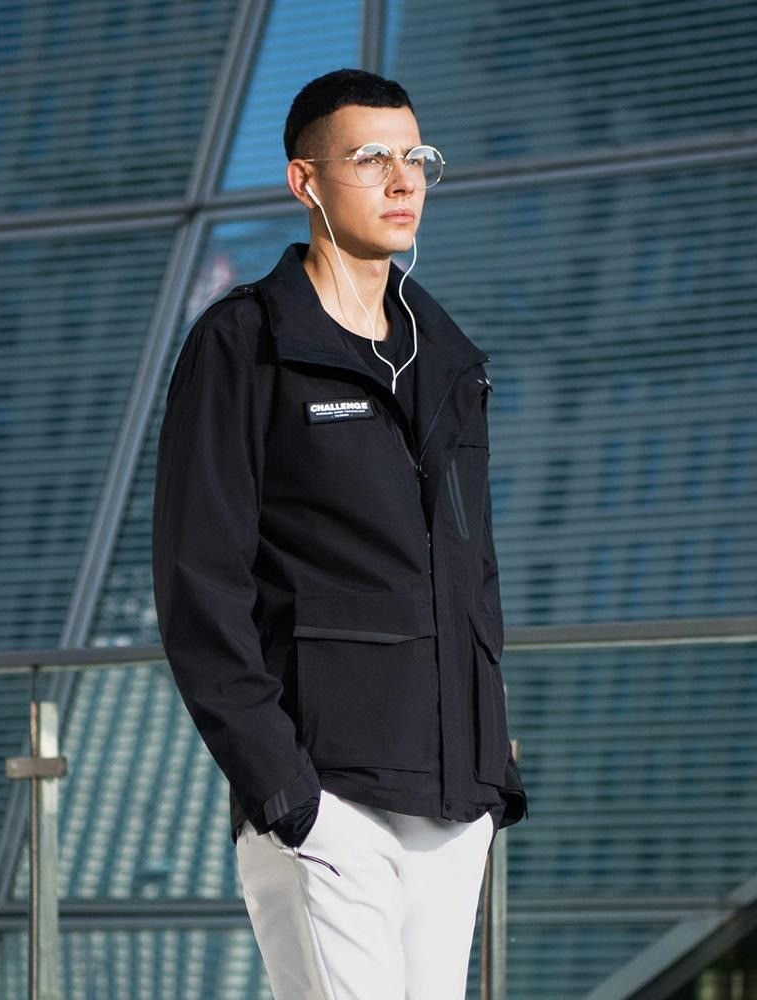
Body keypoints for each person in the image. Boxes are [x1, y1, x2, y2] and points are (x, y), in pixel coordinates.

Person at [152, 68, 526, 1000]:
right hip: (329, 798)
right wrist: (284, 789)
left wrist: (493, 752)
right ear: (305, 181)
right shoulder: (246, 344)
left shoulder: (449, 360)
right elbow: (200, 582)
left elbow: (472, 569)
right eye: (370, 158)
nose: (404, 181)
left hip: (453, 799)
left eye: (416, 158)